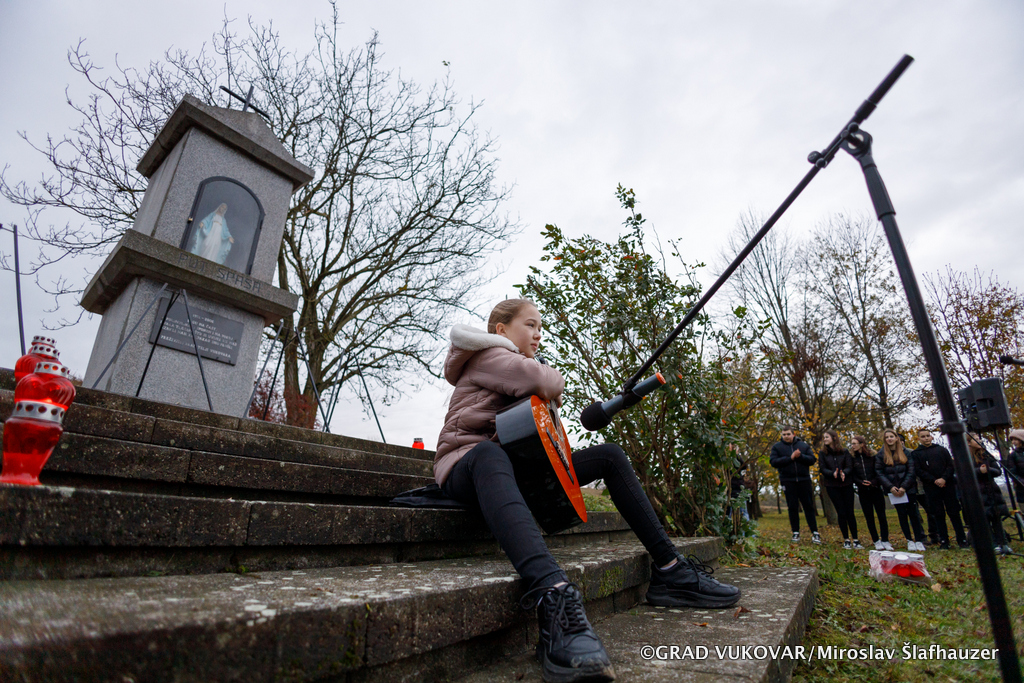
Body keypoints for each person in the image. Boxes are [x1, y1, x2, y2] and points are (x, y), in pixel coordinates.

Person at [434, 298, 740, 683]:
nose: (538, 334)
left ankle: (670, 568)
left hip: (509, 471)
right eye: (530, 325)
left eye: (540, 327)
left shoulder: (513, 364)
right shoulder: (488, 354)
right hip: (465, 465)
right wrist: (549, 383)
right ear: (501, 330)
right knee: (487, 453)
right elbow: (545, 381)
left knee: (608, 456)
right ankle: (554, 592)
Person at [912, 428, 968, 549]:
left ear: (931, 437)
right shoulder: (916, 454)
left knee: (954, 512)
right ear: (919, 439)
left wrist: (944, 478)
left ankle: (962, 540)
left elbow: (950, 465)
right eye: (923, 436)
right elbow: (918, 470)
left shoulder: (941, 449)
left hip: (948, 485)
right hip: (931, 487)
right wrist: (934, 480)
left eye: (928, 436)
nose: (926, 438)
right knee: (938, 514)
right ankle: (944, 541)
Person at [875, 428, 927, 551]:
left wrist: (904, 486)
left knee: (913, 514)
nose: (889, 439)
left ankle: (919, 540)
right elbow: (879, 473)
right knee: (902, 515)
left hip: (908, 488)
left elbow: (911, 470)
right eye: (887, 437)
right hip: (893, 490)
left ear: (896, 438)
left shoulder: (905, 452)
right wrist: (890, 487)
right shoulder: (881, 455)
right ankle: (909, 540)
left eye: (891, 436)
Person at [769, 427, 820, 544]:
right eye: (784, 434)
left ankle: (815, 532)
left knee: (808, 506)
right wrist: (790, 458)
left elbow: (812, 459)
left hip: (804, 480)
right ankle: (795, 532)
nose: (786, 436)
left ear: (794, 434)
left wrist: (800, 456)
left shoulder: (803, 446)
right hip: (787, 480)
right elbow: (773, 462)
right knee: (792, 507)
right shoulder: (777, 447)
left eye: (788, 434)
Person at [967, 433, 1012, 554]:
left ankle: (1003, 543)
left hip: (992, 490)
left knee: (996, 518)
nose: (980, 441)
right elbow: (964, 475)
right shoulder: (965, 458)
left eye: (979, 439)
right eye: (976, 439)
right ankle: (992, 544)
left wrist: (988, 469)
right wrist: (979, 471)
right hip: (977, 492)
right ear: (969, 443)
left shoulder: (986, 455)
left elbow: (998, 471)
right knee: (985, 520)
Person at [818, 430, 862, 549]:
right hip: (832, 486)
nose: (825, 439)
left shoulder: (844, 452)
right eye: (824, 437)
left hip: (846, 484)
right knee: (841, 512)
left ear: (833, 438)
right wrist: (832, 473)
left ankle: (856, 539)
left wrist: (844, 473)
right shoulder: (822, 453)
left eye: (827, 437)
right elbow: (822, 468)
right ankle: (846, 539)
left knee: (850, 512)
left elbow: (849, 466)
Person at [851, 434, 891, 550]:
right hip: (863, 491)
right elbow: (853, 475)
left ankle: (885, 540)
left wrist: (873, 482)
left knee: (881, 516)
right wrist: (860, 482)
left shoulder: (873, 456)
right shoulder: (852, 458)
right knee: (869, 517)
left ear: (861, 444)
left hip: (876, 490)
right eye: (852, 444)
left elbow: (879, 471)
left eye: (854, 443)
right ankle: (876, 540)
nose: (852, 446)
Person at [1005, 429, 1024, 508]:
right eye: (1012, 440)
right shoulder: (1013, 455)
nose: (1013, 442)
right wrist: (1022, 482)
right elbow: (1012, 473)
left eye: (1015, 439)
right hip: (1022, 489)